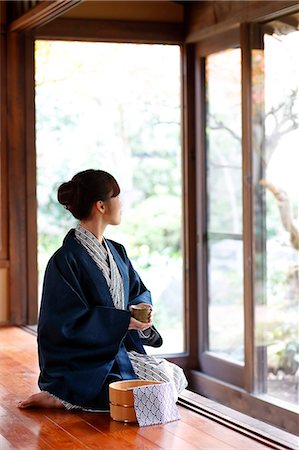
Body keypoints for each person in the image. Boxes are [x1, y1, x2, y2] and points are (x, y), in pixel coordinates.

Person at [18, 169, 187, 411]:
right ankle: (60, 395)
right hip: (85, 362)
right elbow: (63, 324)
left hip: (115, 350)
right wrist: (122, 321)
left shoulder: (117, 252)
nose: (121, 203)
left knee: (170, 377)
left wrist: (140, 310)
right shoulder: (65, 259)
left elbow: (137, 290)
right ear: (101, 206)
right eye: (116, 196)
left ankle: (68, 398)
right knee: (147, 393)